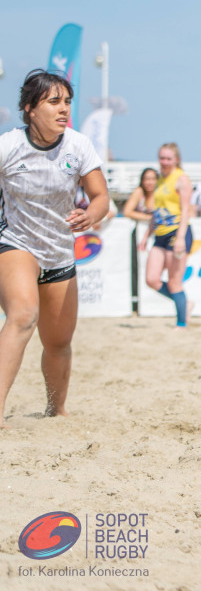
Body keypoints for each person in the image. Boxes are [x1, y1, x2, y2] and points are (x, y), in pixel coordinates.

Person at [0, 70, 109, 425]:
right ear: (30, 108)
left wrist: (90, 215)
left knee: (59, 342)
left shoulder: (77, 145)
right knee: (23, 316)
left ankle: (56, 411)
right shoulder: (9, 146)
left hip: (60, 251)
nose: (63, 109)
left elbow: (101, 197)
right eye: (54, 102)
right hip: (16, 243)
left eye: (67, 102)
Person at [137, 143, 193, 329]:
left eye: (168, 158)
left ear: (176, 159)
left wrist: (180, 238)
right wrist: (146, 235)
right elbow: (156, 211)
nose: (165, 162)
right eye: (162, 158)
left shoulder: (181, 179)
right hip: (159, 234)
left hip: (177, 232)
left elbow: (186, 211)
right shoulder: (160, 180)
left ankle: (181, 322)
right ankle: (185, 304)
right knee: (151, 279)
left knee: (175, 282)